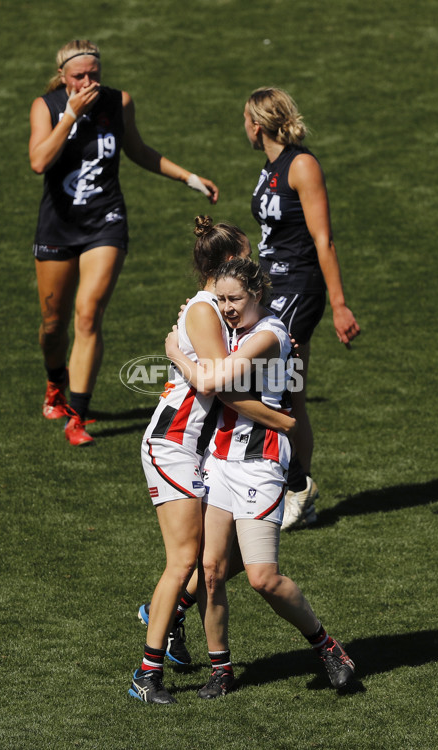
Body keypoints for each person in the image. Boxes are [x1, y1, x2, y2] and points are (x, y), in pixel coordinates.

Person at [164, 257, 356, 699]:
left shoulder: (269, 335)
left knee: (262, 577)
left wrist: (175, 351)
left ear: (257, 295)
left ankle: (328, 647)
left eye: (235, 299)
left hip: (261, 462)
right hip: (219, 459)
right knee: (210, 570)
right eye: (221, 299)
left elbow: (214, 382)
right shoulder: (231, 329)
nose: (227, 308)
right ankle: (221, 670)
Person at [129, 218, 296, 704]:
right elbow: (218, 387)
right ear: (226, 267)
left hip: (194, 447)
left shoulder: (215, 313)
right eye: (244, 259)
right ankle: (146, 673)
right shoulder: (206, 312)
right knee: (184, 560)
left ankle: (171, 616)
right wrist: (280, 421)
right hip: (173, 444)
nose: (251, 266)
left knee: (218, 561)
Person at [29, 39, 219, 446]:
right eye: (78, 76)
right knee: (52, 325)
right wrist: (69, 117)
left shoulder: (118, 102)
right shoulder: (45, 107)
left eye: (93, 74)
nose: (87, 82)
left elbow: (137, 150)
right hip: (58, 227)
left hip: (105, 223)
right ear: (63, 77)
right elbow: (39, 161)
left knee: (88, 314)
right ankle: (54, 383)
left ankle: (77, 416)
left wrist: (190, 178)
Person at [244, 87, 360, 527]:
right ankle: (299, 490)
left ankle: (293, 486)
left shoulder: (302, 165)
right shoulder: (269, 169)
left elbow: (323, 239)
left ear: (256, 124)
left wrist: (340, 305)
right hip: (271, 288)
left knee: (268, 387)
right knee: (290, 391)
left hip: (300, 290)